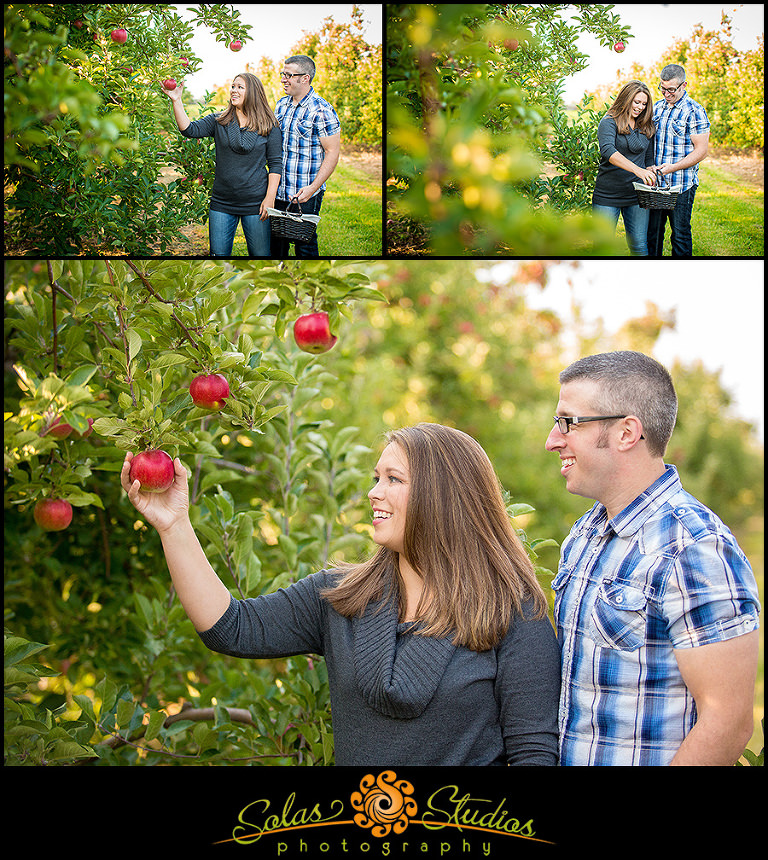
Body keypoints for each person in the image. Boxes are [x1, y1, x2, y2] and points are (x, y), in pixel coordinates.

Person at [121, 423, 561, 766]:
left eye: (393, 479)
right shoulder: (342, 598)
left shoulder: (512, 614)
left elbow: (534, 754)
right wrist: (173, 524)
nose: (374, 491)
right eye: (376, 477)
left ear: (442, 496)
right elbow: (232, 629)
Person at [545, 351, 760, 766]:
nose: (553, 440)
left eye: (568, 422)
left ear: (627, 433)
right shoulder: (586, 533)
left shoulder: (693, 547)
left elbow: (728, 722)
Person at [164, 72, 282, 257]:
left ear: (253, 92)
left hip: (256, 203)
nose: (233, 90)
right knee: (217, 257)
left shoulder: (269, 125)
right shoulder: (219, 121)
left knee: (260, 257)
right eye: (233, 86)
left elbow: (275, 164)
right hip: (222, 202)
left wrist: (270, 198)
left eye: (240, 87)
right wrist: (176, 101)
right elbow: (189, 129)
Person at [271, 55, 341, 259]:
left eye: (289, 75)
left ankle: (308, 285)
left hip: (305, 191)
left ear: (305, 78)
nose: (283, 79)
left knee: (305, 245)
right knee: (276, 245)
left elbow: (332, 152)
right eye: (283, 74)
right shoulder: (281, 105)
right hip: (279, 189)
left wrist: (313, 188)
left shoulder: (322, 110)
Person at [648, 64, 710, 256]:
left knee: (680, 235)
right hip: (657, 185)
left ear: (684, 85)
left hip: (681, 185)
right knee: (653, 235)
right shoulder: (657, 108)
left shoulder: (695, 111)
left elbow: (701, 151)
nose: (666, 94)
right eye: (662, 88)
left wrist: (672, 168)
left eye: (671, 90)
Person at [592, 81, 657, 257]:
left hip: (637, 195)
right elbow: (608, 151)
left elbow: (648, 158)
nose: (640, 107)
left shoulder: (646, 124)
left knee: (639, 246)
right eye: (637, 102)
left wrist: (651, 172)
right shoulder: (609, 121)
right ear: (626, 99)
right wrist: (638, 170)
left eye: (644, 104)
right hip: (608, 195)